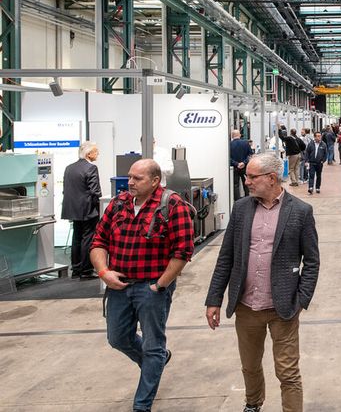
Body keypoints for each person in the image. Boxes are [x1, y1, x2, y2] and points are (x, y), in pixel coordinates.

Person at [205, 153, 320, 412]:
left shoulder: (301, 211)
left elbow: (312, 261)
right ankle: (253, 404)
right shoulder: (242, 208)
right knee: (250, 366)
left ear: (271, 178)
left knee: (288, 372)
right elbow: (226, 258)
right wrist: (214, 299)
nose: (246, 181)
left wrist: (301, 299)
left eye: (251, 177)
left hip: (284, 308)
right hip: (246, 306)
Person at [90, 159, 194, 412]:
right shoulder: (118, 204)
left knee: (152, 345)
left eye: (137, 178)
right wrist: (104, 272)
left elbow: (183, 251)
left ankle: (141, 405)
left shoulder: (172, 205)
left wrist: (160, 285)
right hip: (119, 286)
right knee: (118, 338)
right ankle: (157, 361)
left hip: (151, 288)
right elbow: (98, 241)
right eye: (129, 177)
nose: (130, 183)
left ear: (155, 181)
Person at [62, 141, 102, 279]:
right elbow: (95, 191)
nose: (98, 154)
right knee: (88, 238)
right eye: (96, 151)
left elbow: (66, 189)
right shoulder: (91, 168)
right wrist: (99, 207)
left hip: (73, 209)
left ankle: (76, 269)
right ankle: (86, 270)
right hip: (87, 209)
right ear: (89, 154)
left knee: (77, 238)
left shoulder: (69, 168)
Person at [231, 129, 252, 200]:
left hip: (234, 168)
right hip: (245, 167)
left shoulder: (229, 144)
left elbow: (228, 158)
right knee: (246, 183)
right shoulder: (246, 143)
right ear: (239, 135)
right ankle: (247, 199)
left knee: (235, 185)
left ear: (232, 136)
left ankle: (237, 201)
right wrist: (244, 162)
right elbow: (250, 155)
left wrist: (236, 164)